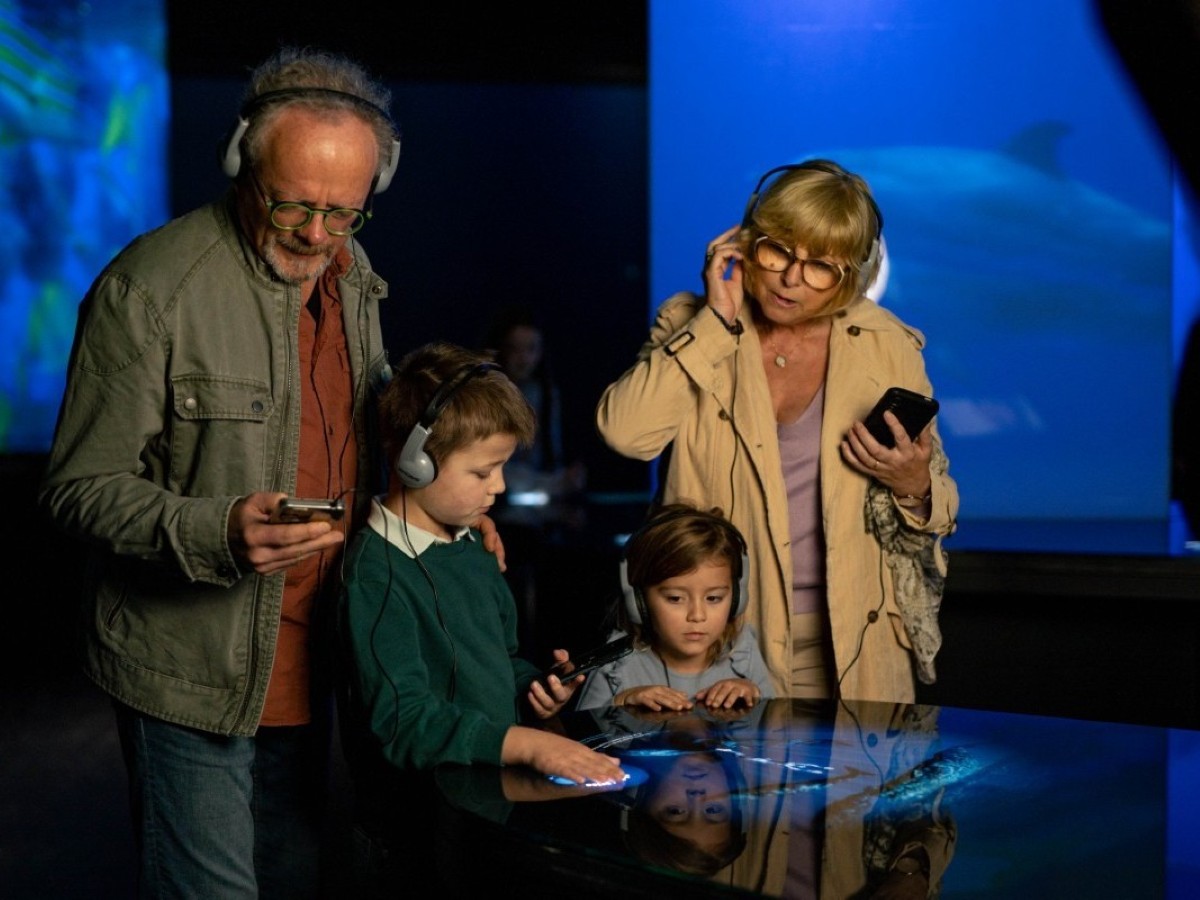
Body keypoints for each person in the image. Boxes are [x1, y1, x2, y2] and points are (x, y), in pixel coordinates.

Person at [37, 46, 442, 899]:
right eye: (292, 204)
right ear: (241, 164)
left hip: (316, 661)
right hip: (190, 674)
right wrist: (214, 530)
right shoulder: (147, 290)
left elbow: (363, 438)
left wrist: (447, 517)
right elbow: (76, 487)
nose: (316, 236)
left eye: (344, 214)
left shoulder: (353, 274)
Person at [596, 159, 959, 704]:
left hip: (857, 644)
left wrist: (913, 481)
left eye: (821, 268)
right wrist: (715, 324)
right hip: (717, 648)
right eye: (778, 251)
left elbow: (942, 504)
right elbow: (626, 434)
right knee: (722, 793)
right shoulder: (690, 322)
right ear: (745, 242)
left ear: (850, 277)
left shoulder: (887, 344)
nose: (792, 278)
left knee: (865, 792)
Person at [337, 341, 626, 890]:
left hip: (485, 818)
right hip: (415, 835)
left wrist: (535, 687)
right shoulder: (376, 575)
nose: (500, 487)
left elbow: (501, 658)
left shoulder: (472, 546)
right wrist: (526, 743)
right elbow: (402, 722)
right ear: (412, 460)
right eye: (483, 471)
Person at [575, 503, 775, 712]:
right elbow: (577, 737)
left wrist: (753, 697)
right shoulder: (616, 662)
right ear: (638, 600)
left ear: (737, 598)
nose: (697, 615)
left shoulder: (742, 650)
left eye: (714, 598)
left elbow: (775, 733)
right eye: (676, 598)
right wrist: (621, 703)